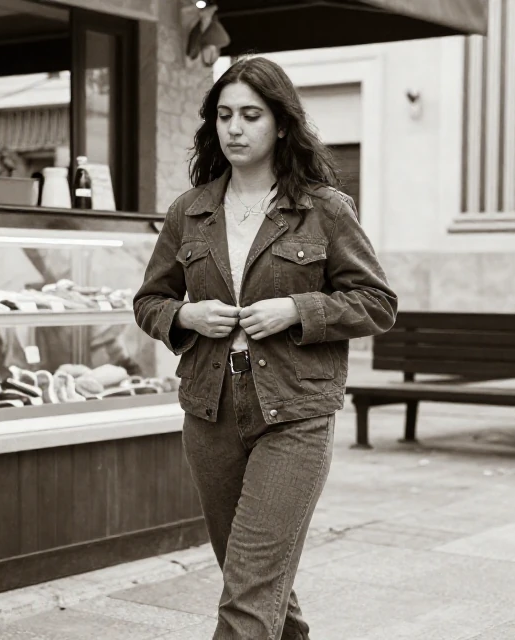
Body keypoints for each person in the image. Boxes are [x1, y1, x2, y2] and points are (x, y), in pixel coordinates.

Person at [134, 56, 397, 640]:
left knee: (247, 594)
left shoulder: (324, 208)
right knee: (254, 577)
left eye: (251, 115)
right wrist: (185, 314)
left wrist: (297, 309)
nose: (235, 128)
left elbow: (377, 302)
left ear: (281, 123)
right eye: (224, 115)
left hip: (295, 415)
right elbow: (148, 301)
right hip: (211, 413)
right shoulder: (191, 211)